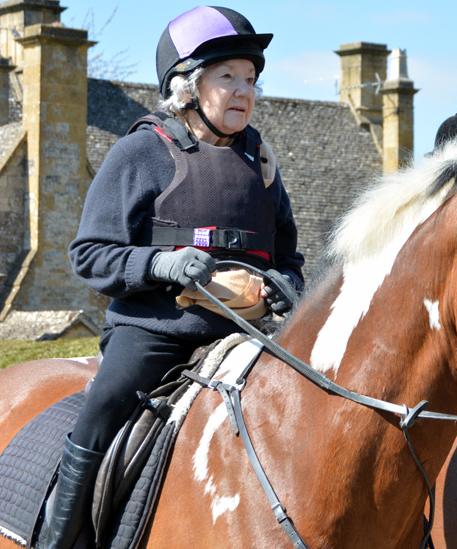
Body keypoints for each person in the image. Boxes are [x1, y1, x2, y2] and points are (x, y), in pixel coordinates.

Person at [38, 6, 304, 548]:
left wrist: (287, 284)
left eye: (249, 79)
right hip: (157, 332)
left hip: (250, 335)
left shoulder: (263, 163)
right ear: (186, 88)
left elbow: (290, 256)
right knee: (105, 404)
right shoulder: (141, 152)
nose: (242, 91)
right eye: (226, 76)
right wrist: (159, 264)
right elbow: (88, 254)